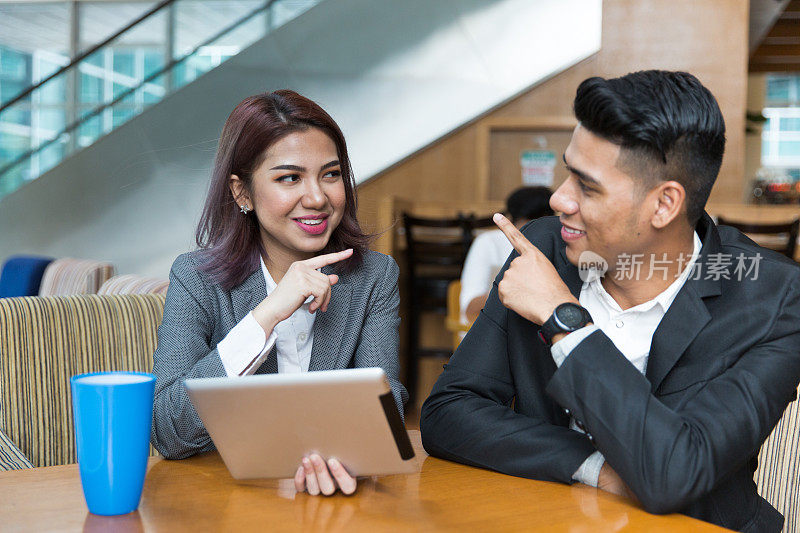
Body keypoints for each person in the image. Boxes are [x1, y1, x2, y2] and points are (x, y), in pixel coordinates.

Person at [420, 70, 800, 532]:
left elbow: (675, 471)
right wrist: (595, 467)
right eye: (567, 173)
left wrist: (565, 321)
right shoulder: (544, 249)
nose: (559, 199)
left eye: (587, 186)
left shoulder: (772, 297)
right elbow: (448, 412)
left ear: (664, 205)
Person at [151, 90, 408, 496]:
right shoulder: (196, 277)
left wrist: (339, 455)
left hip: (337, 503)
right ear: (242, 193)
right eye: (290, 177)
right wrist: (265, 316)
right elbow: (169, 431)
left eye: (331, 174)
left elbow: (387, 404)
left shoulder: (374, 277)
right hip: (227, 503)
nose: (318, 198)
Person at [460, 186, 552, 323]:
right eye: (530, 221)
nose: (536, 229)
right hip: (493, 331)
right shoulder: (488, 243)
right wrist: (511, 289)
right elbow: (469, 309)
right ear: (512, 219)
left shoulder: (556, 244)